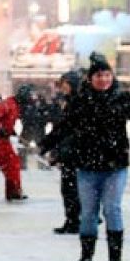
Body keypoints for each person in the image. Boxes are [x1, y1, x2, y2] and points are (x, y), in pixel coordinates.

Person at [48, 58, 130, 261]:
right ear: (90, 78)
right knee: (88, 213)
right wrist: (46, 144)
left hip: (115, 165)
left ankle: (116, 260)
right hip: (87, 165)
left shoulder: (121, 98)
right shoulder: (80, 101)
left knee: (112, 209)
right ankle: (86, 256)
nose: (103, 79)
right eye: (98, 75)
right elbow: (64, 127)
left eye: (107, 75)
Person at [39, 71, 84, 234]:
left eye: (64, 83)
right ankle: (73, 220)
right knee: (69, 189)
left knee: (73, 189)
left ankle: (77, 220)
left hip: (76, 153)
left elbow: (66, 130)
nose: (62, 86)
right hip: (69, 151)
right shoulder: (71, 101)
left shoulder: (78, 102)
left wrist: (55, 147)